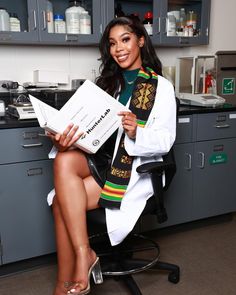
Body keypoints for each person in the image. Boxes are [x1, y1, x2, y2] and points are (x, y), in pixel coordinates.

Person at [47, 16, 176, 295]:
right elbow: (87, 130)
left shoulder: (161, 88)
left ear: (141, 40)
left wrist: (135, 133)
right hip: (101, 160)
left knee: (60, 202)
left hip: (131, 168)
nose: (119, 48)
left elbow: (166, 140)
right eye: (113, 43)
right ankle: (85, 255)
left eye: (126, 39)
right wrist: (62, 134)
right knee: (63, 157)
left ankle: (65, 284)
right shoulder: (106, 84)